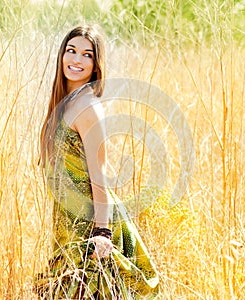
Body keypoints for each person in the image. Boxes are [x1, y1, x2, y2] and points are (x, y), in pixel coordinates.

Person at [34, 25, 159, 299]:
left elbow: (99, 175)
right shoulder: (66, 102)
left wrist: (102, 232)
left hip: (88, 222)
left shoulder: (89, 108)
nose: (77, 60)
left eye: (87, 55)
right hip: (68, 219)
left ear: (96, 65)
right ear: (62, 55)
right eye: (71, 50)